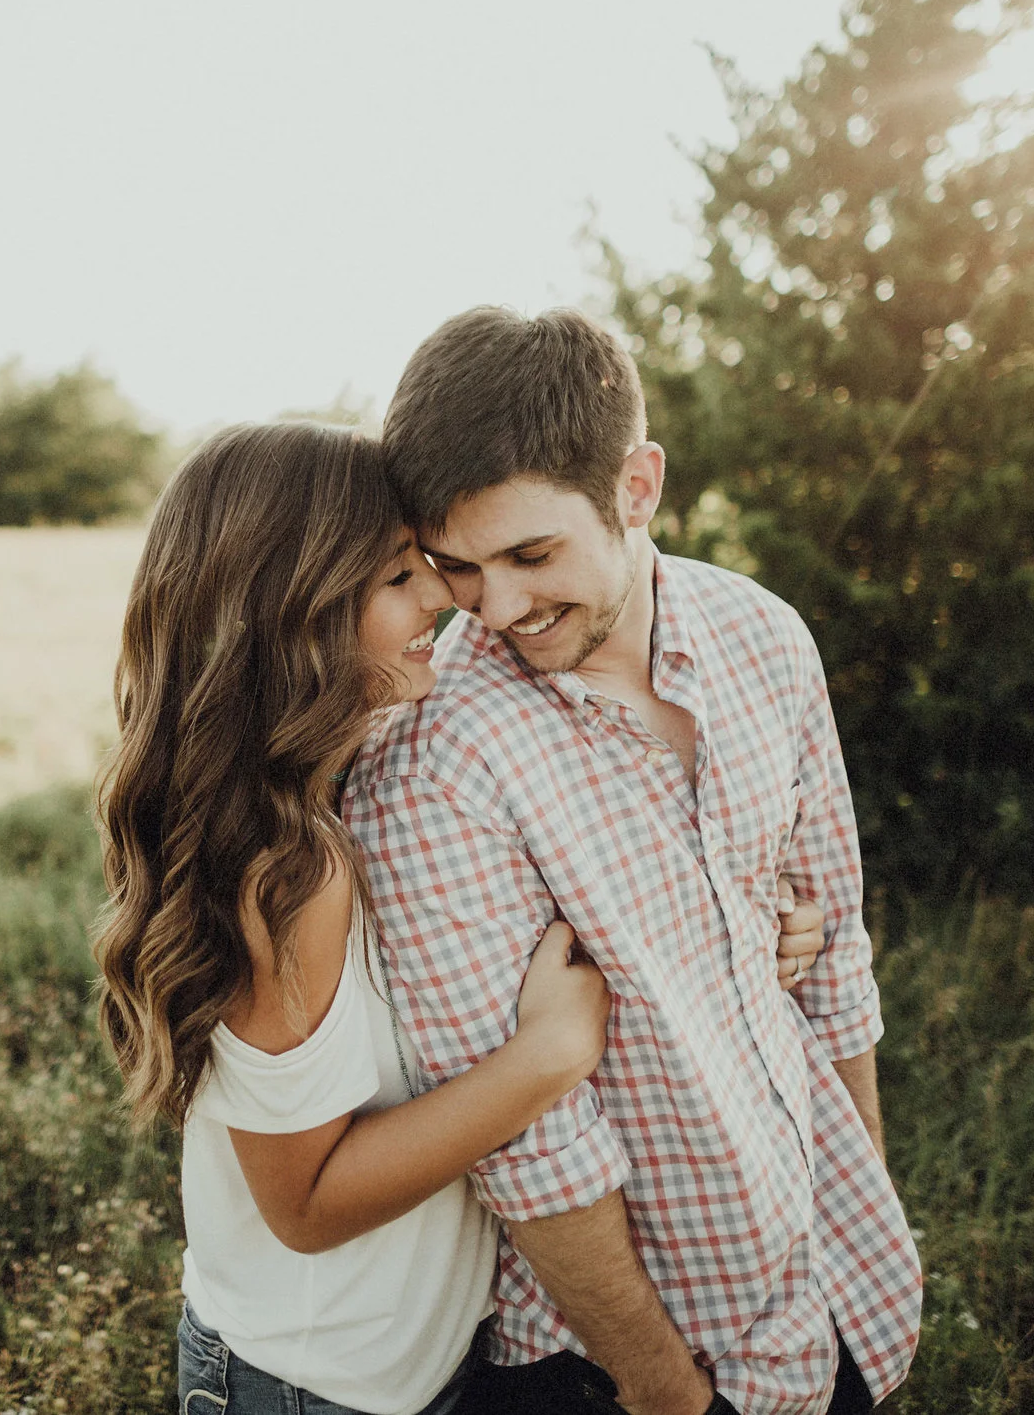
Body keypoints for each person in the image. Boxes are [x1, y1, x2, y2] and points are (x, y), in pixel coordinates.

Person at [90, 423, 826, 1415]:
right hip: (311, 1382)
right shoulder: (287, 872)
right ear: (293, 612)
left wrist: (756, 914)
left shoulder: (352, 763)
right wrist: (544, 1058)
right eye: (401, 576)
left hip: (416, 1362)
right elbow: (304, 1205)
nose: (443, 596)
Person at [344, 308, 924, 1415]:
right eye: (458, 568)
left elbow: (834, 957)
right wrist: (660, 1383)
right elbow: (523, 1134)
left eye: (531, 553)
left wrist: (873, 1213)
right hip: (618, 1365)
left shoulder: (764, 635)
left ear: (637, 486)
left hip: (840, 1288)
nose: (498, 608)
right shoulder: (432, 757)